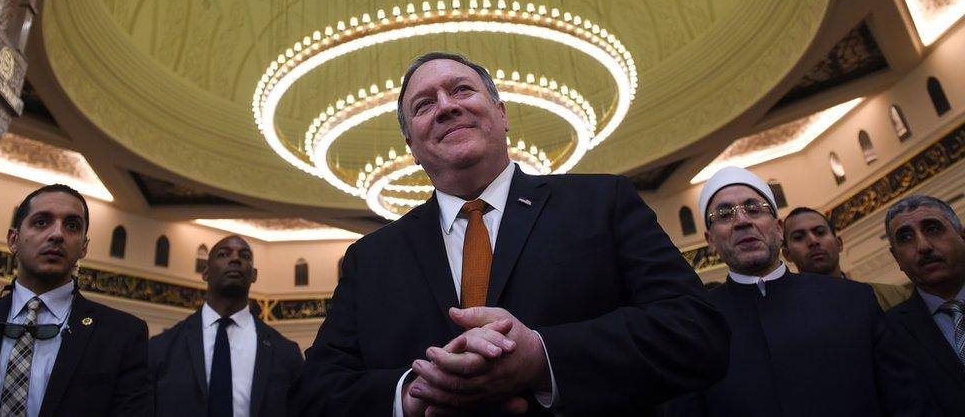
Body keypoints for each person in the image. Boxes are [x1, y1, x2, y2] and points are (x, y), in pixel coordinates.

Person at [290, 52, 729, 416]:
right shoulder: (371, 258)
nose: (445, 106)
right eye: (423, 105)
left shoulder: (601, 203)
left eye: (461, 89)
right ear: (412, 148)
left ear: (501, 114)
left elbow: (696, 332)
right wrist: (411, 394)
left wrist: (542, 358)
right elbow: (314, 391)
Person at [660, 166, 935, 417]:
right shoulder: (695, 324)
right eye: (724, 214)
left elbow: (906, 403)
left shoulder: (852, 300)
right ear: (710, 241)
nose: (742, 221)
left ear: (779, 229)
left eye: (754, 209)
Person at [0, 184, 151, 416]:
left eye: (72, 226)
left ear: (83, 247)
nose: (57, 234)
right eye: (41, 222)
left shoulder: (122, 335)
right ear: (13, 239)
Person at [149, 235, 303, 417]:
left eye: (245, 256)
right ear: (205, 272)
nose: (235, 259)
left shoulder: (285, 353)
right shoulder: (161, 348)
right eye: (224, 254)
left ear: (254, 274)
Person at [884, 195, 965, 416]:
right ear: (896, 258)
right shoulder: (889, 334)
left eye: (933, 229)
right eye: (906, 237)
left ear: (962, 235)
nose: (923, 246)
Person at [783, 206, 909, 309]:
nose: (813, 241)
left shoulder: (894, 297)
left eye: (820, 232)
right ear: (787, 255)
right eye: (799, 237)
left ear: (839, 243)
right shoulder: (786, 317)